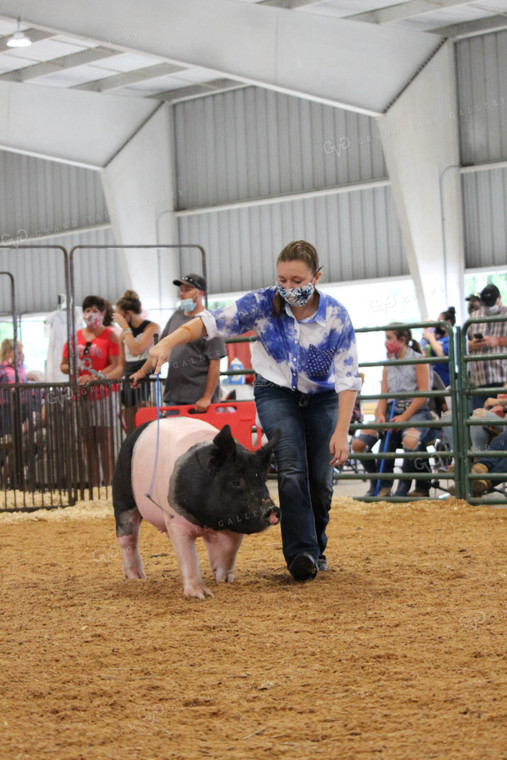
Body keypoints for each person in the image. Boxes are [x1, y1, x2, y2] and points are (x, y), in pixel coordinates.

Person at [146, 241, 361, 582]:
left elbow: (349, 378)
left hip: (322, 399)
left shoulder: (336, 316)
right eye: (282, 280)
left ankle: (316, 547)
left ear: (316, 277)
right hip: (276, 392)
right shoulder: (262, 303)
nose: (289, 288)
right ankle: (301, 553)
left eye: (297, 280)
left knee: (320, 479)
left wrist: (341, 432)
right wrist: (167, 342)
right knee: (291, 467)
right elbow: (209, 323)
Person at [351, 325, 432, 498]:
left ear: (402, 340)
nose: (386, 342)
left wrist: (404, 417)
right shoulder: (388, 364)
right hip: (390, 412)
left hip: (415, 412)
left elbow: (423, 395)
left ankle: (403, 486)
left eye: (389, 338)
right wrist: (380, 415)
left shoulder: (418, 360)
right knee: (358, 444)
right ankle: (379, 485)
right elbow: (384, 394)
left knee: (410, 441)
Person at [131, 274, 226, 412]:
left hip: (197, 399)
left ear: (200, 293)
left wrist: (207, 397)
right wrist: (141, 372)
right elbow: (160, 349)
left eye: (187, 290)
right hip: (174, 395)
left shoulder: (210, 322)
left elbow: (215, 363)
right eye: (181, 290)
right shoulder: (176, 316)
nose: (182, 294)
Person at [60, 295, 121, 486]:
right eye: (87, 310)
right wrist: (73, 368)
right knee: (87, 442)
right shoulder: (74, 337)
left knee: (105, 441)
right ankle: (94, 484)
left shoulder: (110, 336)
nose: (90, 314)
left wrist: (96, 377)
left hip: (102, 394)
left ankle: (109, 484)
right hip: (81, 395)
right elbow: (62, 365)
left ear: (103, 313)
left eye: (95, 311)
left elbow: (116, 365)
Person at [113, 290, 160, 433]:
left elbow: (136, 350)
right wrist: (102, 377)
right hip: (128, 380)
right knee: (131, 429)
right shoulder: (123, 335)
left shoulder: (152, 327)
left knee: (147, 426)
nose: (117, 321)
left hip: (147, 378)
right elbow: (121, 366)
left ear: (128, 314)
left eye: (119, 316)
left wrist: (125, 328)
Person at [467, 284, 507, 410]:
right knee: (478, 423)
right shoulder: (473, 317)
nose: (489, 306)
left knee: (500, 422)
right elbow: (463, 343)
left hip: (503, 379)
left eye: (491, 302)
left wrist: (498, 341)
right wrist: (472, 345)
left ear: (499, 298)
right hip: (479, 380)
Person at [421, 306, 456, 387]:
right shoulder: (435, 338)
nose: (437, 325)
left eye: (439, 321)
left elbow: (441, 355)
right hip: (431, 380)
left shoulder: (451, 339)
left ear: (448, 322)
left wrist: (431, 338)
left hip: (445, 382)